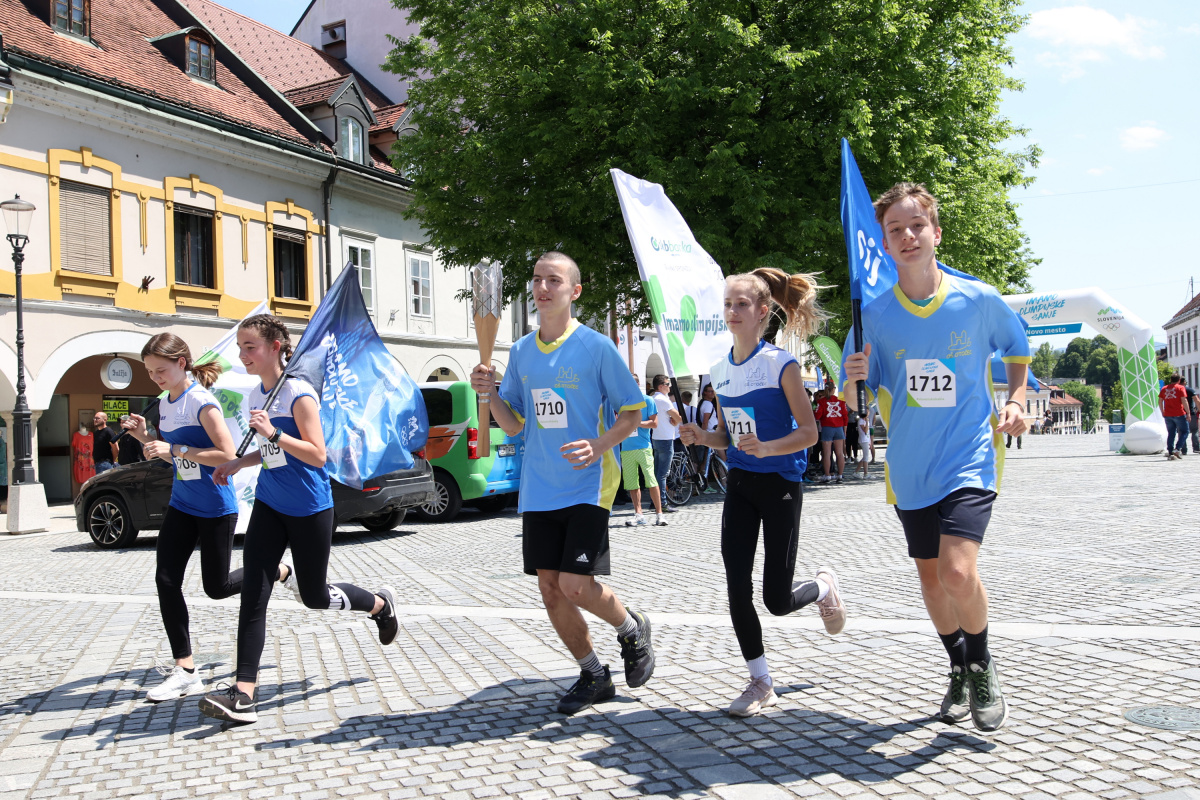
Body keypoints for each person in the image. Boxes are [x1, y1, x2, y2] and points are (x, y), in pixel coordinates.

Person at [841, 182, 1030, 733]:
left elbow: (1017, 348)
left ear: (936, 232)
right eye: (895, 229)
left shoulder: (978, 299)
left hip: (970, 457)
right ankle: (957, 666)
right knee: (931, 580)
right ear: (884, 243)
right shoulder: (874, 317)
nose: (907, 236)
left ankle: (983, 665)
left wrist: (1017, 400)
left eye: (916, 225)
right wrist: (852, 378)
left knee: (957, 571)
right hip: (910, 467)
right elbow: (856, 397)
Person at [470, 252, 656, 715]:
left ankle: (631, 628)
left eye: (553, 280)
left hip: (589, 483)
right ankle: (594, 673)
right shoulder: (520, 352)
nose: (542, 287)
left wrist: (599, 444)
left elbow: (633, 411)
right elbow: (513, 425)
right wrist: (489, 393)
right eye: (537, 279)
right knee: (551, 589)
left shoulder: (596, 347)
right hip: (539, 486)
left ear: (575, 291)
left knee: (575, 585)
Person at [200, 314, 399, 724]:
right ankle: (243, 693)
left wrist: (273, 433)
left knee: (315, 597)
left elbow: (317, 454)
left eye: (250, 347)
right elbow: (271, 454)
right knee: (253, 595)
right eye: (240, 348)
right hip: (270, 505)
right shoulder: (258, 395)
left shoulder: (298, 393)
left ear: (275, 347)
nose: (243, 355)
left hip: (309, 508)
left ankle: (380, 605)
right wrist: (238, 463)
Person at [680, 267, 847, 718]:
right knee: (737, 586)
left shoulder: (781, 365)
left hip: (781, 485)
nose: (732, 312)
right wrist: (702, 437)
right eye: (727, 305)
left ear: (762, 311)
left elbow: (810, 433)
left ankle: (824, 587)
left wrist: (769, 447)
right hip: (740, 483)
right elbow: (728, 437)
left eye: (741, 304)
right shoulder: (719, 371)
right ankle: (760, 681)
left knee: (776, 599)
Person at [121, 334, 257, 702]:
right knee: (166, 580)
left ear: (181, 362)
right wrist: (145, 438)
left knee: (217, 587)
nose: (155, 378)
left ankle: (276, 570)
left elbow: (227, 454)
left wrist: (174, 447)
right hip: (181, 503)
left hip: (215, 506)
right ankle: (185, 670)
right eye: (150, 372)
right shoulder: (166, 403)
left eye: (160, 370)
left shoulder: (201, 401)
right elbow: (177, 458)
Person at [622, 373, 667, 527]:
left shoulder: (648, 400)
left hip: (643, 446)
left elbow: (654, 423)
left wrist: (637, 423)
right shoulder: (622, 402)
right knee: (632, 484)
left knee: (651, 480)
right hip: (626, 448)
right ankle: (638, 514)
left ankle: (659, 514)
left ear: (637, 384)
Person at [650, 375, 678, 511]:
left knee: (657, 472)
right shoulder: (663, 399)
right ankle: (662, 503)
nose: (669, 387)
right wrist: (675, 421)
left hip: (656, 437)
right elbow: (678, 417)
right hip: (666, 438)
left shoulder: (652, 399)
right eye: (667, 384)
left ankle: (654, 501)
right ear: (660, 386)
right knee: (662, 474)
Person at [814, 385, 848, 483]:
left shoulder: (821, 401)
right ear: (834, 390)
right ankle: (840, 475)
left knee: (827, 453)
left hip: (827, 427)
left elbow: (817, 415)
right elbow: (845, 416)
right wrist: (845, 429)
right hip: (839, 428)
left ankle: (827, 475)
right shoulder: (841, 400)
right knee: (840, 453)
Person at [1160, 374, 1190, 459]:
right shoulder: (1180, 388)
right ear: (1179, 380)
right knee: (1185, 431)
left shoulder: (1164, 388)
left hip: (1168, 414)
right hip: (1179, 413)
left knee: (1171, 433)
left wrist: (1162, 411)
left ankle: (1170, 451)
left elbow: (1160, 401)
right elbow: (1184, 400)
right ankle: (1177, 449)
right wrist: (1188, 412)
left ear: (1170, 379)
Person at [854, 413, 870, 479]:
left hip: (866, 439)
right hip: (863, 440)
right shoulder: (861, 421)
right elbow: (865, 431)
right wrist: (867, 422)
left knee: (864, 457)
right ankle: (866, 474)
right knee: (866, 457)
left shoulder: (864, 420)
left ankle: (856, 472)